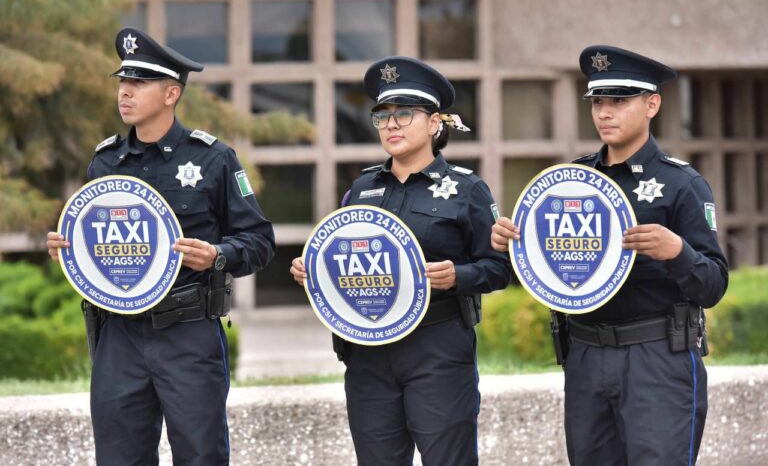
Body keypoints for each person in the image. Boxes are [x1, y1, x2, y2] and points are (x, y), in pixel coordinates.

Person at [46, 27, 275, 465]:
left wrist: (217, 255)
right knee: (119, 457)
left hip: (188, 332)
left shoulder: (213, 158)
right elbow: (99, 242)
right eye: (122, 81)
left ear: (172, 93)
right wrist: (70, 247)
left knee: (201, 455)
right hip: (119, 335)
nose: (125, 91)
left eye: (138, 83)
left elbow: (260, 241)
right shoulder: (105, 161)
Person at [491, 45, 729, 465]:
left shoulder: (681, 183)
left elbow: (713, 284)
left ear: (652, 104)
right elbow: (546, 270)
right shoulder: (572, 181)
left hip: (657, 357)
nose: (604, 112)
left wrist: (677, 251)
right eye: (598, 101)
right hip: (585, 354)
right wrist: (511, 246)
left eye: (619, 101)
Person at [291, 56, 511, 465]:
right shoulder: (362, 188)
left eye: (405, 114)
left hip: (438, 349)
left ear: (434, 123)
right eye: (382, 116)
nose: (391, 125)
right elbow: (348, 259)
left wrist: (457, 276)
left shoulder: (467, 189)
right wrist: (314, 270)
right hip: (368, 354)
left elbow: (500, 269)